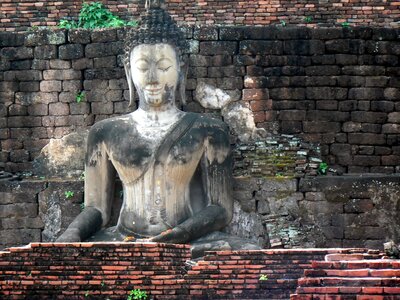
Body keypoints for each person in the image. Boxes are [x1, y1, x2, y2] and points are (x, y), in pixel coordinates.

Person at [56, 2, 235, 250]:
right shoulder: (105, 132)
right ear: (129, 72)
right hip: (123, 238)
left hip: (188, 240)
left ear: (182, 70)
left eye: (163, 67)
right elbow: (97, 208)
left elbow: (221, 209)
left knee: (242, 252)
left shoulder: (208, 130)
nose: (152, 77)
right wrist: (72, 233)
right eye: (142, 67)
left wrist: (181, 233)